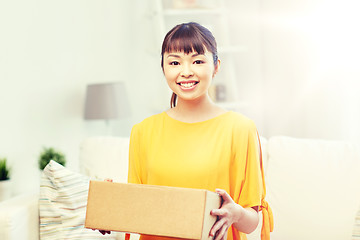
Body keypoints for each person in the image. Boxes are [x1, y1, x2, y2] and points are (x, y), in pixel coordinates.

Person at [127, 22, 273, 240]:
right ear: (164, 67)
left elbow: (252, 222)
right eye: (175, 62)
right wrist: (110, 206)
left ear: (216, 66)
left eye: (197, 61)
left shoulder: (240, 129)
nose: (186, 72)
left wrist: (236, 214)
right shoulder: (142, 131)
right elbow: (137, 211)